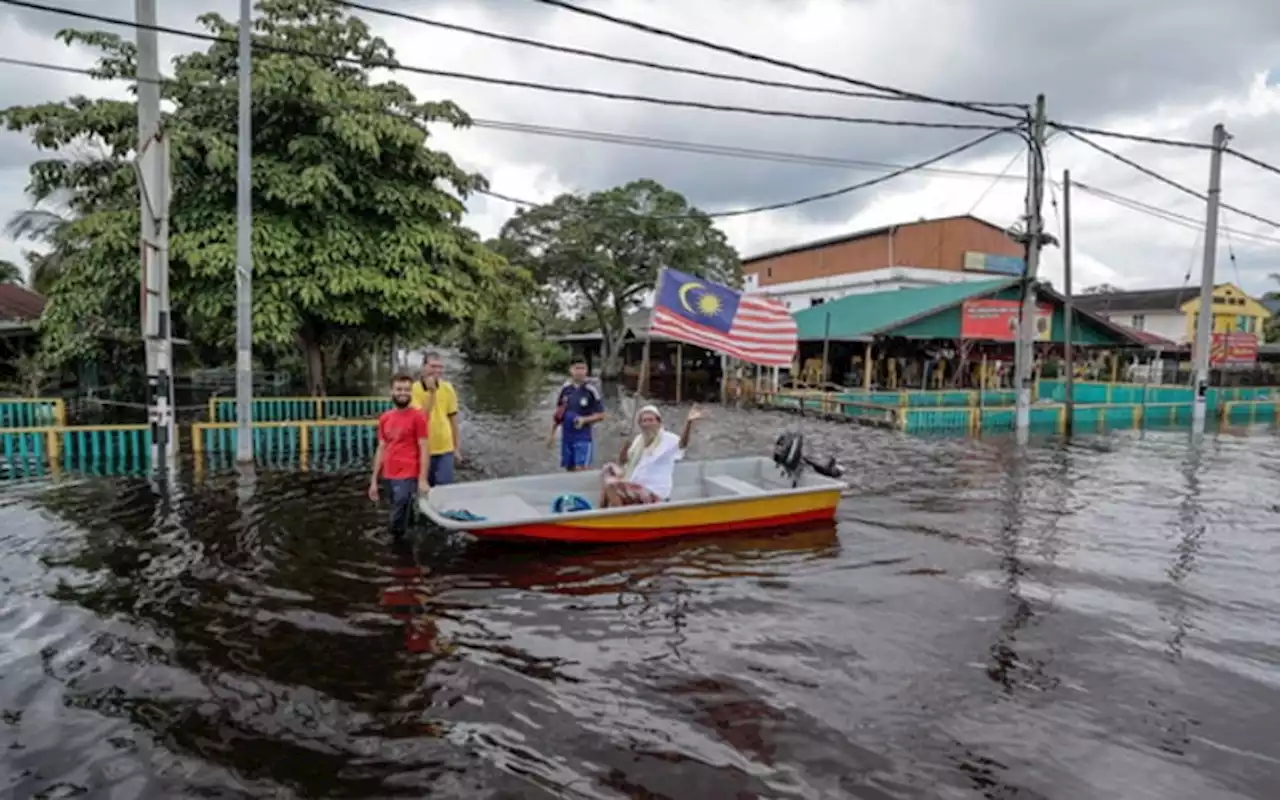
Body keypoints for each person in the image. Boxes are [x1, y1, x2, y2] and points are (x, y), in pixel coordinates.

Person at [600, 404, 704, 507]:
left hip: (654, 493)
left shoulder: (667, 438)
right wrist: (625, 447)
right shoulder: (638, 440)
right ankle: (601, 513)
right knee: (607, 469)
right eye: (644, 421)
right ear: (640, 424)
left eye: (650, 420)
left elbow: (682, 444)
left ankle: (620, 517)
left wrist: (689, 423)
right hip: (635, 486)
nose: (647, 424)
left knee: (611, 485)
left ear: (658, 422)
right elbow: (623, 462)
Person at [369, 373, 430, 537]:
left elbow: (424, 447)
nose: (403, 393)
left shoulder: (418, 417)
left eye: (407, 390)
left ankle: (395, 549)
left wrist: (423, 479)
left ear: (411, 393)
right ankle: (409, 546)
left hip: (408, 473)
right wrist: (374, 480)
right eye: (399, 389)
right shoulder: (385, 418)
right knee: (403, 513)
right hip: (388, 474)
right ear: (391, 392)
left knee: (397, 514)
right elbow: (381, 448)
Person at [410, 351, 461, 486]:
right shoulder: (414, 389)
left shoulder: (448, 388)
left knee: (445, 485)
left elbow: (453, 419)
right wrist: (432, 392)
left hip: (445, 446)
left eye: (440, 367)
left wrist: (456, 448)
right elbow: (422, 417)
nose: (437, 370)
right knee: (425, 485)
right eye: (433, 366)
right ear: (424, 367)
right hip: (424, 447)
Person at [547, 359, 606, 471]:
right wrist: (552, 434)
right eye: (577, 368)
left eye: (582, 368)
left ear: (586, 370)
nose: (580, 371)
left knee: (581, 469)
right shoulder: (565, 389)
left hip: (583, 437)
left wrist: (584, 420)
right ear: (571, 370)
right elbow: (559, 414)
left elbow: (601, 415)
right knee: (569, 469)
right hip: (567, 437)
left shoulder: (591, 390)